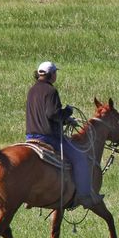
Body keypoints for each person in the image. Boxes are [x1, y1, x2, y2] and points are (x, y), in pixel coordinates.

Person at [25, 61, 103, 209]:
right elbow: (53, 113)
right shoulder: (50, 91)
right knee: (80, 158)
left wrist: (66, 120)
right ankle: (85, 195)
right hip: (49, 137)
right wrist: (67, 111)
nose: (56, 75)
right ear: (52, 74)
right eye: (55, 73)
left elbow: (45, 115)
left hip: (31, 137)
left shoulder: (32, 90)